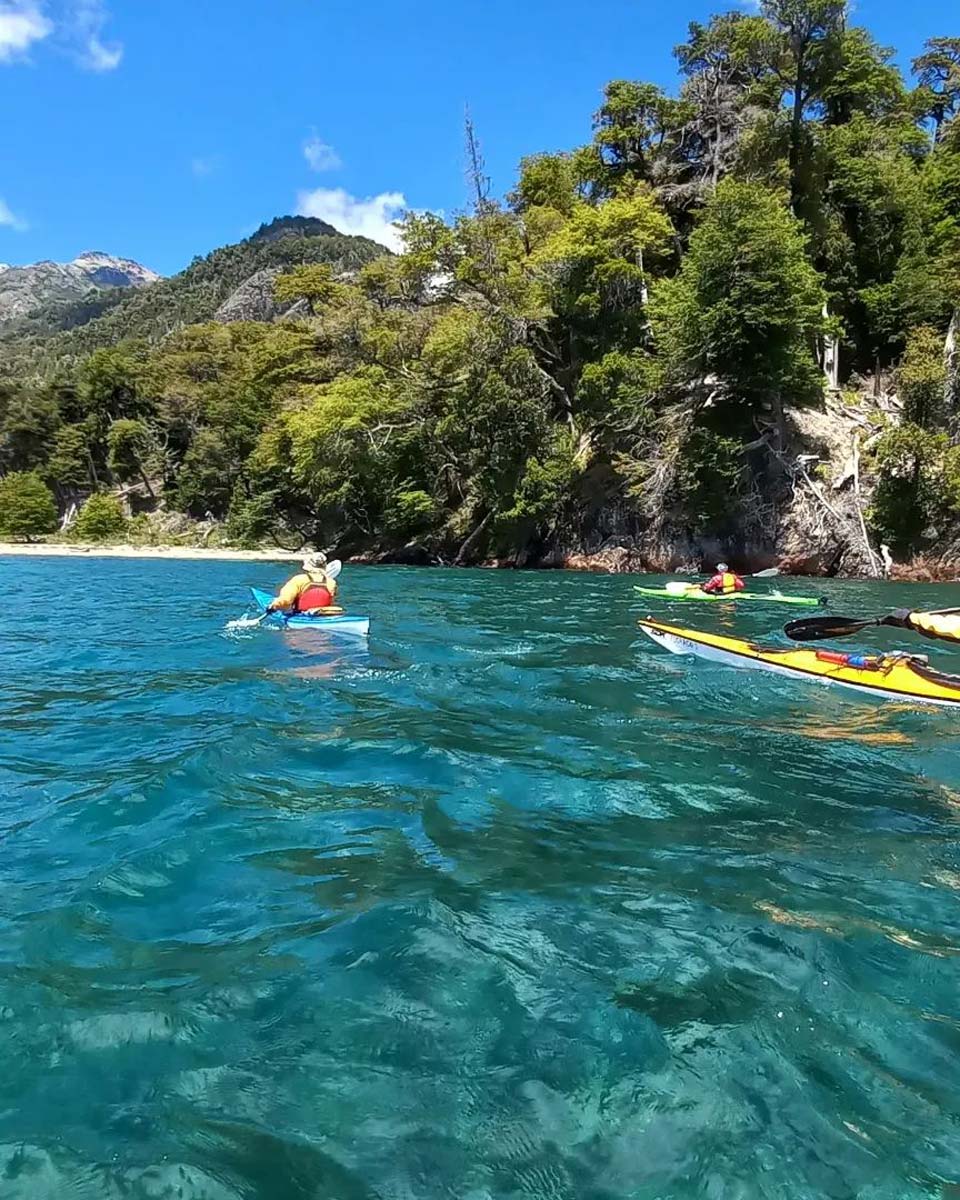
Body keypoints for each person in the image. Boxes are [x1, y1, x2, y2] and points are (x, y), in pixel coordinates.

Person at [266, 553, 340, 615]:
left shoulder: (299, 579)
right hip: (324, 616)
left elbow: (286, 601)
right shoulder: (331, 582)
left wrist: (274, 606)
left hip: (301, 616)